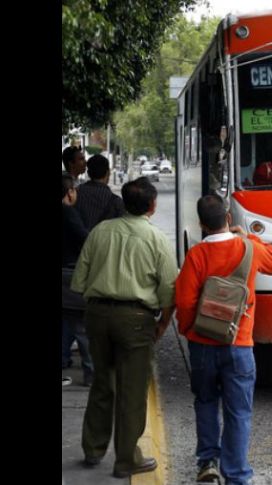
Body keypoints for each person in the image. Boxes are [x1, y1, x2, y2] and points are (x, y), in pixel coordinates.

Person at [71, 177, 178, 478]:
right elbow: (170, 290)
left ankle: (93, 449)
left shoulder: (100, 232)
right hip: (135, 319)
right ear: (152, 206)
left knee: (102, 382)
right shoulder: (156, 238)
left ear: (123, 203)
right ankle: (126, 458)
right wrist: (163, 324)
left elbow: (80, 281)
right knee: (132, 391)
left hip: (96, 315)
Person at [175, 195, 272, 485]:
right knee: (239, 411)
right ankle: (236, 474)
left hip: (202, 345)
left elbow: (185, 302)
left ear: (201, 223)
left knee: (206, 401)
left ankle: (207, 461)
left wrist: (189, 332)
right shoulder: (247, 248)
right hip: (239, 344)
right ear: (228, 218)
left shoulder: (196, 255)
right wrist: (248, 236)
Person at [62, 174, 94, 386]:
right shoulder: (68, 213)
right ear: (69, 192)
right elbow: (87, 239)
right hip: (69, 274)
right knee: (82, 328)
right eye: (74, 189)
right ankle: (91, 374)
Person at [77, 154, 125, 230]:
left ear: (88, 173)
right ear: (108, 173)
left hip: (77, 240)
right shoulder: (116, 202)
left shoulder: (74, 193)